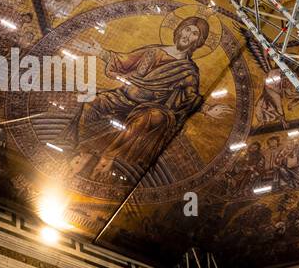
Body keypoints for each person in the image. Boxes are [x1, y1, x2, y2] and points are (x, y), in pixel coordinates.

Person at [65, 16, 209, 179]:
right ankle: (85, 150)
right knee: (92, 101)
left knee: (152, 117)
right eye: (187, 29)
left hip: (149, 108)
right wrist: (100, 52)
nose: (188, 35)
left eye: (194, 33)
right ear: (180, 30)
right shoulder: (153, 51)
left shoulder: (189, 71)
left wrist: (206, 108)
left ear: (198, 41)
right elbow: (125, 61)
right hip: (122, 97)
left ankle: (110, 155)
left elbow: (190, 97)